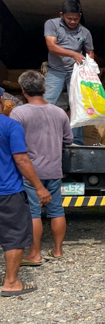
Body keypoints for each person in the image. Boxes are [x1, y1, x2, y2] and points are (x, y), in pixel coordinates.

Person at [10, 71, 73, 265]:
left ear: (23, 91)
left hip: (30, 173)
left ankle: (34, 254)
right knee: (57, 211)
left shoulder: (18, 113)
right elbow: (69, 140)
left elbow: (13, 143)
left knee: (33, 213)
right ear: (44, 89)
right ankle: (58, 250)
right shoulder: (59, 112)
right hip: (54, 170)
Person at [0, 112, 51, 297]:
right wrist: (39, 187)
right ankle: (11, 283)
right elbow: (21, 159)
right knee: (14, 235)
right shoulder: (10, 125)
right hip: (7, 191)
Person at [44, 0, 94, 145]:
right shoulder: (52, 24)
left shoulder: (85, 32)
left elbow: (90, 51)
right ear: (62, 15)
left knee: (78, 105)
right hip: (56, 71)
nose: (73, 21)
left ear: (80, 15)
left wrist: (88, 64)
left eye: (76, 18)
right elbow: (51, 46)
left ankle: (76, 141)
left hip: (76, 72)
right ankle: (46, 138)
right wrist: (73, 54)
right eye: (69, 18)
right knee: (47, 103)